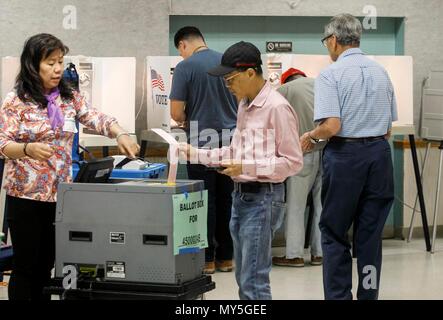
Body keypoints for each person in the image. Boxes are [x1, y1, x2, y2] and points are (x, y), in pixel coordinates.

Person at [0, 33, 139, 300]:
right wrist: (28, 149)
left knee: (47, 265)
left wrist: (120, 132)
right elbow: (3, 143)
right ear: (33, 64)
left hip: (60, 195)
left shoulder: (68, 97)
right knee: (26, 267)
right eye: (50, 62)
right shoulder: (15, 100)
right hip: (25, 196)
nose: (57, 69)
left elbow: (95, 117)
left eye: (60, 62)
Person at [180, 41, 303, 300]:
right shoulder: (244, 106)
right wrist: (195, 152)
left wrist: (248, 167)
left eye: (230, 80)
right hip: (241, 197)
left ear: (250, 73)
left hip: (264, 198)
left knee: (253, 280)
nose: (228, 86)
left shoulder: (277, 108)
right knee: (243, 277)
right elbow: (233, 153)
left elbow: (293, 162)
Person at [300, 14, 398, 300]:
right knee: (370, 236)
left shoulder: (331, 74)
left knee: (333, 232)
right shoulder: (381, 71)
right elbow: (388, 128)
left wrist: (310, 137)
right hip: (379, 156)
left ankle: (339, 297)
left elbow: (331, 126)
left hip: (346, 157)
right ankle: (368, 295)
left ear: (332, 41)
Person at [170, 26, 238, 274]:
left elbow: (176, 113)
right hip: (232, 142)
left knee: (204, 201)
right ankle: (227, 257)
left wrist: (188, 118)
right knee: (227, 200)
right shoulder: (228, 62)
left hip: (200, 141)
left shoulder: (185, 67)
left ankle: (207, 259)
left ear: (183, 45)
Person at [272, 68, 324, 268]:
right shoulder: (320, 83)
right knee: (322, 206)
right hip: (327, 151)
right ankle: (319, 253)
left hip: (303, 153)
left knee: (296, 205)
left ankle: (294, 255)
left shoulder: (284, 90)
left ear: (286, 80)